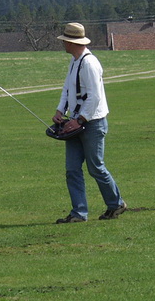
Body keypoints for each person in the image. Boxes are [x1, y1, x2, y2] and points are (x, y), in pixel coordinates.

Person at [53, 22, 126, 223]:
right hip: (75, 122)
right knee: (72, 169)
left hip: (92, 123)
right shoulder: (74, 61)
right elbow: (67, 89)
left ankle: (116, 204)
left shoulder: (89, 64)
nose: (63, 44)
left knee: (96, 168)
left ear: (71, 42)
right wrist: (61, 110)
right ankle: (79, 213)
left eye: (65, 41)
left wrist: (79, 120)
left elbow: (94, 97)